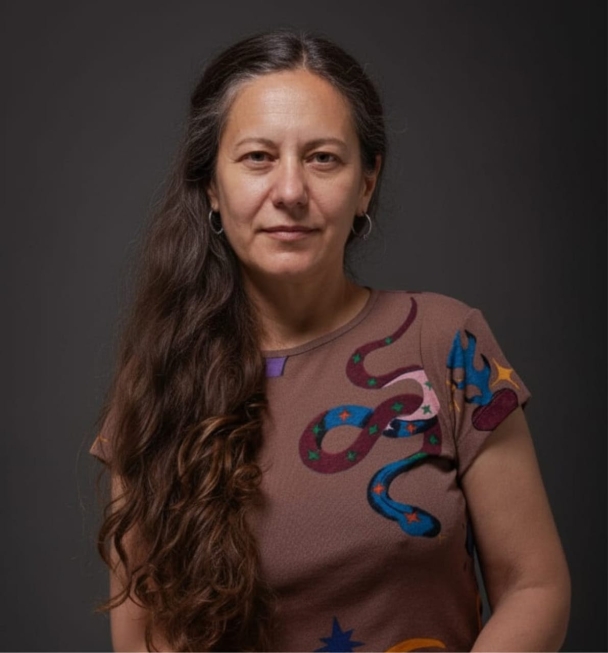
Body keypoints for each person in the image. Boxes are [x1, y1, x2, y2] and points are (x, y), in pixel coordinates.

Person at [89, 29, 570, 653]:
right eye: (258, 157)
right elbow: (142, 640)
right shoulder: (157, 383)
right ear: (211, 186)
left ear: (366, 182)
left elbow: (535, 586)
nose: (290, 191)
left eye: (322, 158)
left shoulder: (447, 343)